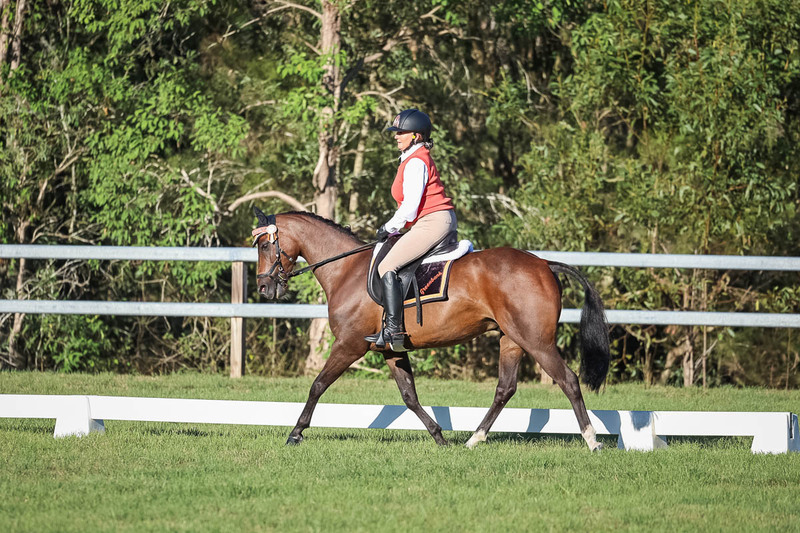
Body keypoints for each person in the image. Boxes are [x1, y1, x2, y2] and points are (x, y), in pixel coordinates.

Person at [365, 109, 457, 352]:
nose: (396, 136)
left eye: (401, 132)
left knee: (387, 266)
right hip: (430, 221)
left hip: (433, 221)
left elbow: (410, 207)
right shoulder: (412, 158)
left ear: (416, 136)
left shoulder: (416, 162)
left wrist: (388, 226)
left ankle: (394, 330)